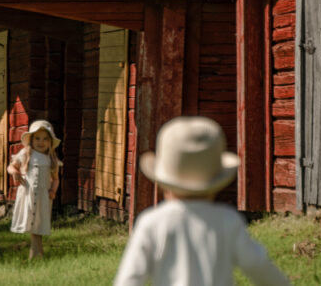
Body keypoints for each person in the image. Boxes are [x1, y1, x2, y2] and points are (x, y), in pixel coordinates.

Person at [114, 117, 290, 286]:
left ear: (162, 182)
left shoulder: (151, 222)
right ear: (217, 182)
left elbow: (130, 279)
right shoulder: (228, 220)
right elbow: (256, 265)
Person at [7, 120, 62, 259]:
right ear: (31, 139)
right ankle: (36, 252)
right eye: (37, 138)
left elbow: (55, 179)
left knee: (39, 222)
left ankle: (36, 252)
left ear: (50, 142)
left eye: (45, 139)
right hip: (28, 194)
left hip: (43, 196)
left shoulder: (51, 159)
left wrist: (53, 190)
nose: (41, 142)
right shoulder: (26, 154)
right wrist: (14, 172)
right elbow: (11, 166)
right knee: (32, 221)